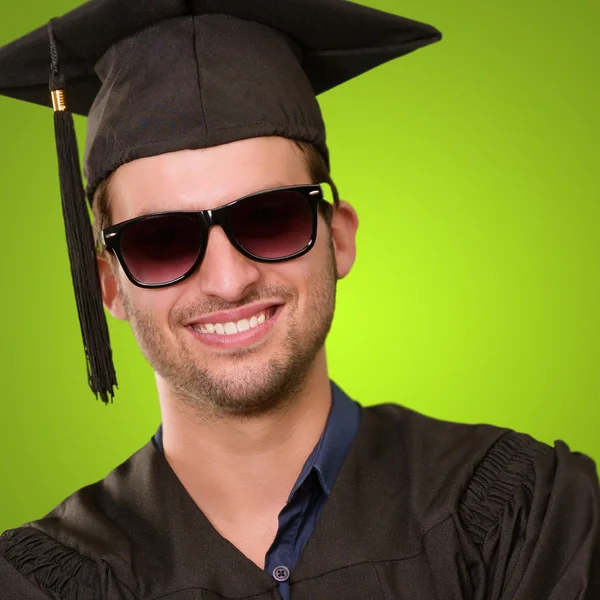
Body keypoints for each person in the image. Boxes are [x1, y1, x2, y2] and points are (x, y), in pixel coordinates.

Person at [0, 0, 598, 598]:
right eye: (163, 240)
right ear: (109, 285)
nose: (229, 280)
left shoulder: (523, 517)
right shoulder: (43, 584)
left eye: (269, 218)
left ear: (338, 238)